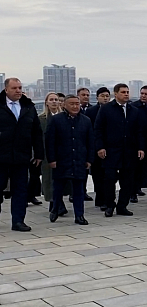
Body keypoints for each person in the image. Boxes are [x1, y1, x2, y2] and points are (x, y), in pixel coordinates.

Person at [93, 83, 145, 217]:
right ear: (115, 94)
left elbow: (139, 131)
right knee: (109, 179)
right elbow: (98, 129)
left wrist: (141, 147)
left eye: (127, 92)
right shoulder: (106, 109)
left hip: (129, 151)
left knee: (127, 181)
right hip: (111, 151)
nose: (126, 94)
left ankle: (122, 206)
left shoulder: (134, 110)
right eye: (123, 92)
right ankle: (110, 205)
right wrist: (100, 147)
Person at [0, 78, 44, 231]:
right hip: (1, 156)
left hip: (21, 156)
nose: (18, 91)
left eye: (20, 87)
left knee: (20, 190)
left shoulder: (28, 107)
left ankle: (18, 221)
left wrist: (39, 153)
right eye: (14, 88)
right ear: (6, 90)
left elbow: (36, 132)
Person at [46, 95, 94, 225]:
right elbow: (50, 142)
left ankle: (79, 215)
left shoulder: (86, 120)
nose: (75, 106)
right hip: (62, 160)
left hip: (79, 160)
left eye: (77, 104)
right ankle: (55, 208)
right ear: (65, 105)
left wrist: (89, 159)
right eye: (71, 104)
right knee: (58, 188)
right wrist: (52, 159)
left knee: (79, 190)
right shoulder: (56, 120)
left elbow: (90, 142)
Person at [39, 92, 71, 216]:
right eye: (51, 99)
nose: (54, 102)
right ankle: (55, 204)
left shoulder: (65, 117)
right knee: (49, 179)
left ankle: (58, 203)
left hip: (63, 154)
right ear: (46, 102)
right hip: (47, 154)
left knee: (62, 180)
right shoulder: (41, 118)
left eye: (56, 99)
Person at [86, 87, 110, 209]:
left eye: (107, 96)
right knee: (97, 175)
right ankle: (99, 198)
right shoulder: (90, 111)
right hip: (95, 148)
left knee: (108, 176)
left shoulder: (113, 110)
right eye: (102, 96)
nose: (105, 98)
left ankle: (106, 200)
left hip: (110, 148)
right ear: (97, 98)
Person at [131, 85, 147, 204]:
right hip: (138, 143)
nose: (143, 96)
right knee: (136, 170)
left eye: (146, 94)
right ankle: (133, 193)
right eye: (142, 93)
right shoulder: (134, 107)